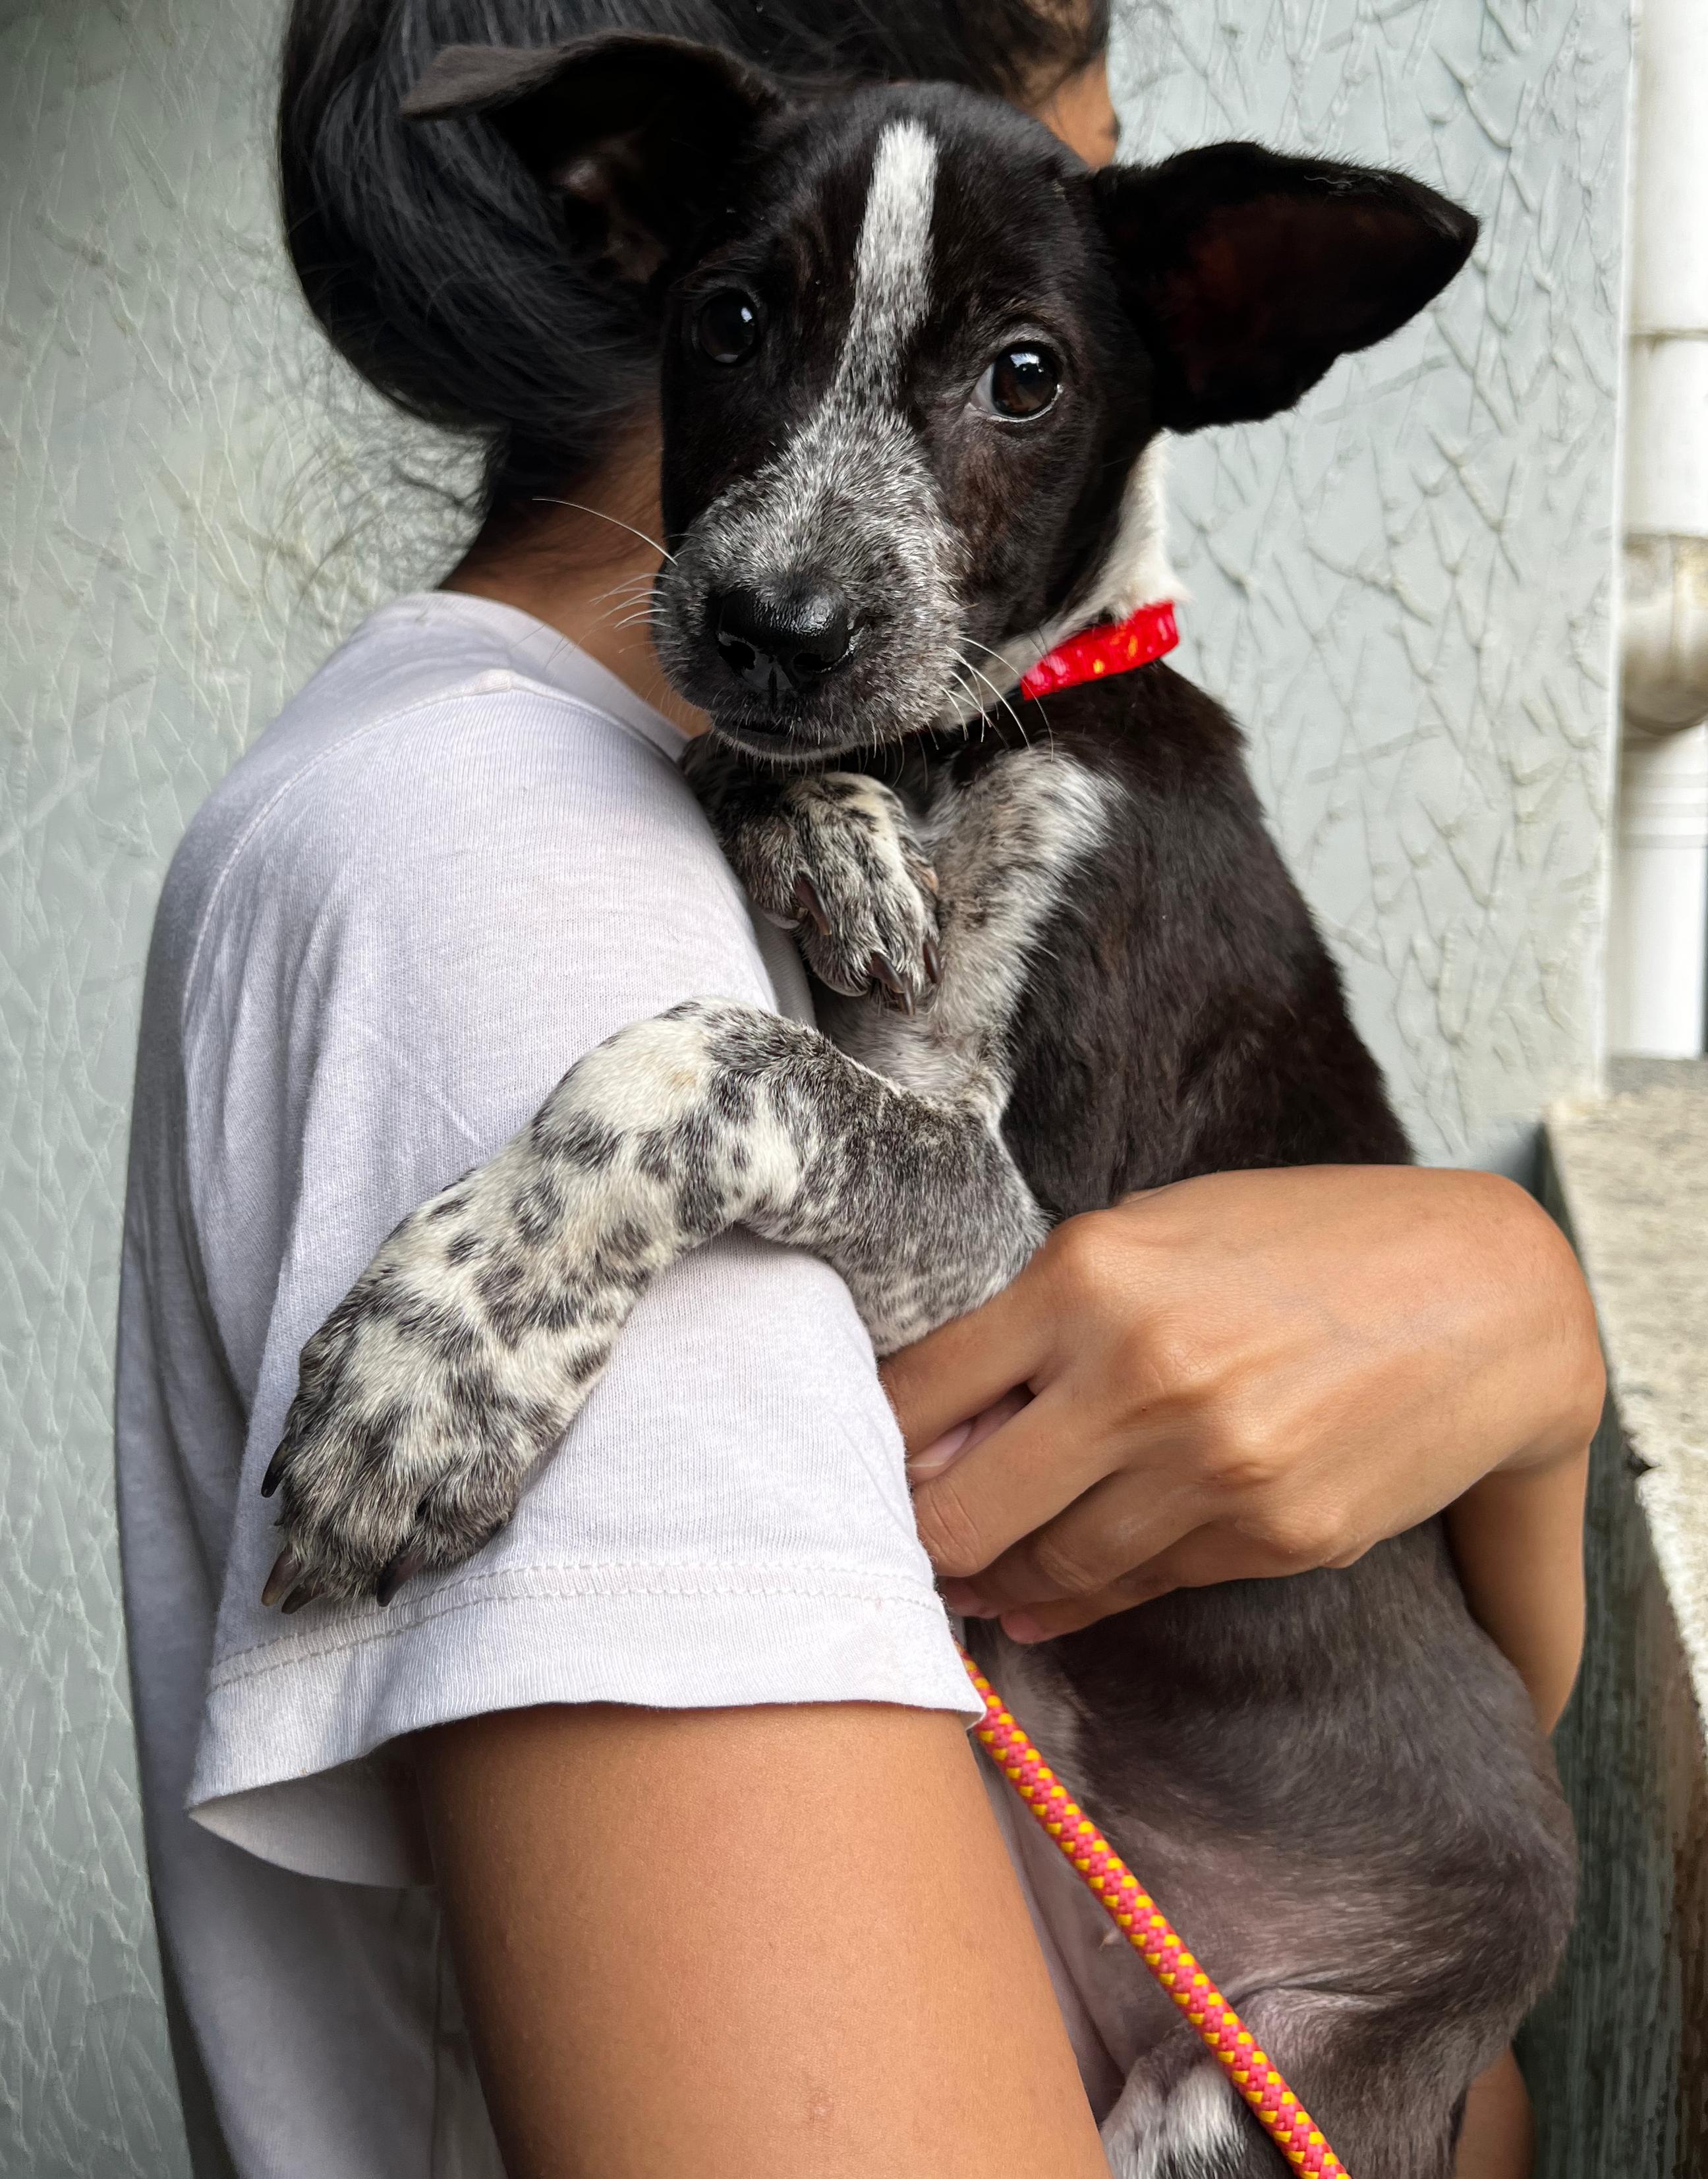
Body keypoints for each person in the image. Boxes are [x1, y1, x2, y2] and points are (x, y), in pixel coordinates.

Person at [115, 3, 1601, 2174]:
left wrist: (1527, 1331)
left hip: (1312, 1901)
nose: (1113, 115)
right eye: (1088, 47)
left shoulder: (587, 807)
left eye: (1015, 378)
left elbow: (1446, 1907)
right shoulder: (512, 885)